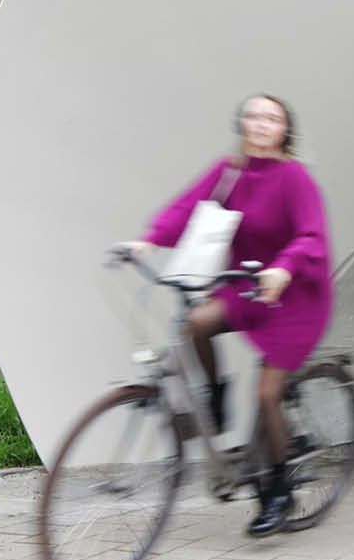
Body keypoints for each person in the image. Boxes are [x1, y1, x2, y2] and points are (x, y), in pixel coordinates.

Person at [124, 95, 332, 537]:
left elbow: (311, 236)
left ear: (285, 131)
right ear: (242, 124)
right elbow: (187, 207)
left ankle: (278, 491)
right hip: (248, 287)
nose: (261, 123)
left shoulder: (294, 178)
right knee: (194, 323)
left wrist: (284, 267)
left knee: (267, 393)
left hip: (295, 297)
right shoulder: (229, 171)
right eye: (254, 116)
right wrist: (150, 240)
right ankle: (217, 395)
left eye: (272, 118)